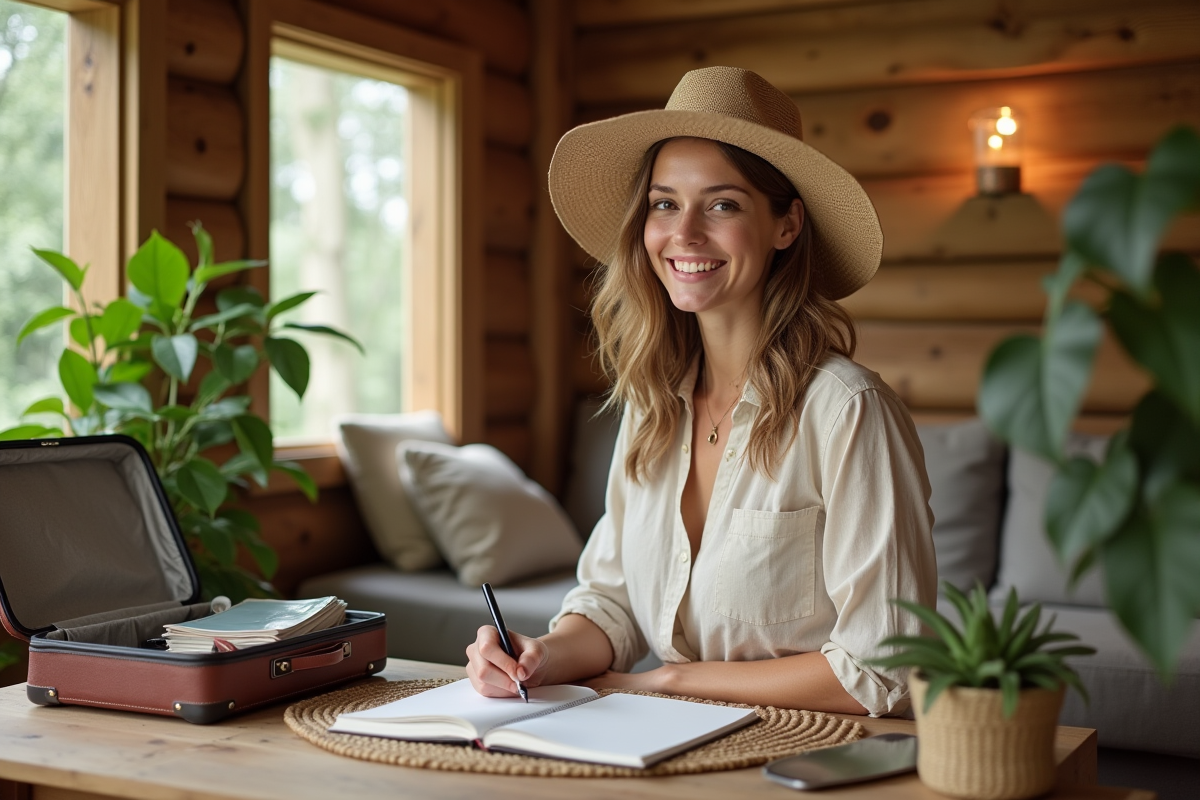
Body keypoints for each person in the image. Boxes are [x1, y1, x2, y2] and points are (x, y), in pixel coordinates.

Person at [466, 66, 937, 717]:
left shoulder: (848, 411)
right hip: (672, 744)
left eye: (722, 204)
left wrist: (669, 682)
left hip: (817, 759)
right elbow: (615, 603)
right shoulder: (652, 405)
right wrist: (540, 655)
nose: (683, 234)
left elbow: (883, 668)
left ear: (786, 226)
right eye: (664, 203)